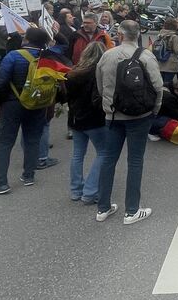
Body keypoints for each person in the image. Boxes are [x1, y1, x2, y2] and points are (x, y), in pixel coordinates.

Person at [94, 21, 164, 225]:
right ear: (138, 34)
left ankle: (103, 208)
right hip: (139, 116)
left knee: (108, 159)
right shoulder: (146, 56)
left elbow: (99, 84)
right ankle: (131, 210)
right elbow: (158, 87)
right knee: (135, 161)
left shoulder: (108, 55)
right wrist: (155, 109)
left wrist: (108, 105)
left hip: (113, 115)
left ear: (120, 34)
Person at [0, 28, 52, 195]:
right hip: (38, 103)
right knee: (32, 140)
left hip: (13, 103)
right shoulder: (48, 57)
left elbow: (1, 81)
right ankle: (28, 176)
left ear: (26, 39)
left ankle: (0, 183)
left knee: (5, 142)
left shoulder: (13, 56)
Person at [65, 40, 107, 204]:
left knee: (77, 154)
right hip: (94, 118)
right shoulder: (99, 72)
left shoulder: (73, 72)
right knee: (103, 152)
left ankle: (76, 190)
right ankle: (90, 191)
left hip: (75, 118)